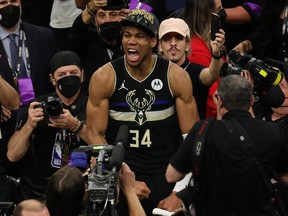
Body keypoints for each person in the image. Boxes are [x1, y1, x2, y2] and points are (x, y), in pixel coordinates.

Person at [86, 9, 199, 215]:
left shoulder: (176, 77)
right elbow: (95, 134)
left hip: (165, 172)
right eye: (127, 35)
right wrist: (123, 180)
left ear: (153, 42)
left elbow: (192, 139)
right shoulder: (104, 77)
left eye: (139, 36)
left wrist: (179, 192)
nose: (131, 41)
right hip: (122, 169)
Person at [166, 74, 288, 216]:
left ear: (218, 99)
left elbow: (171, 175)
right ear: (252, 100)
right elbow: (284, 177)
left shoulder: (203, 130)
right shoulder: (271, 131)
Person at [6, 51, 88, 203]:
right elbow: (12, 155)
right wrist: (29, 125)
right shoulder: (38, 106)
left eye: (73, 72)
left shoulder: (92, 105)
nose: (68, 77)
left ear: (82, 75)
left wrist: (75, 125)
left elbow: (103, 143)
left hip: (80, 192)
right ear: (52, 79)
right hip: (37, 192)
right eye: (62, 74)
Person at [0, 0, 58, 183]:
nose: (10, 6)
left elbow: (55, 76)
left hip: (42, 122)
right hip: (6, 121)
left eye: (14, 1)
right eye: (2, 2)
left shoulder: (43, 35)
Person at [158, 17, 225, 119]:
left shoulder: (195, 71)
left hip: (193, 133)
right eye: (167, 39)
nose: (173, 43)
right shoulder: (153, 72)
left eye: (179, 38)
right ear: (160, 46)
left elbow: (212, 75)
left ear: (187, 45)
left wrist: (216, 54)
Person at [70, 0, 129, 94]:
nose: (107, 20)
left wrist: (132, 20)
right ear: (95, 20)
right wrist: (89, 9)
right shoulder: (87, 39)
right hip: (93, 98)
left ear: (121, 17)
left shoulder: (129, 40)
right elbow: (76, 32)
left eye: (113, 15)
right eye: (101, 15)